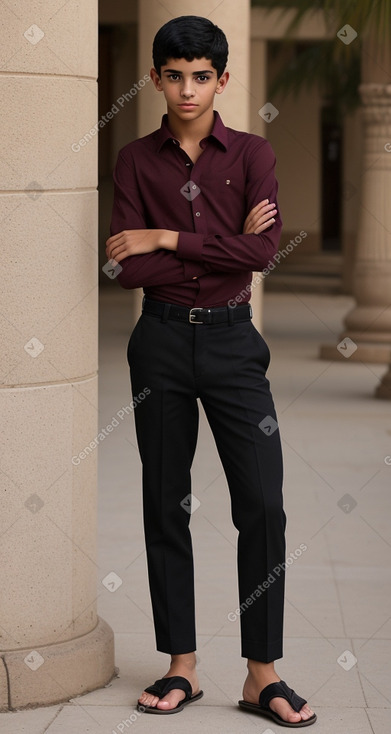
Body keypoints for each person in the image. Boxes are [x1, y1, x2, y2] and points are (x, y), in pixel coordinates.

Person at [106, 15, 316, 728]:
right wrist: (222, 244)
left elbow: (263, 255)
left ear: (221, 80)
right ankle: (180, 666)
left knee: (262, 502)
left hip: (233, 349)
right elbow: (126, 268)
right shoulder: (134, 160)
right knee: (165, 503)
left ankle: (263, 674)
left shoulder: (253, 153)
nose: (187, 88)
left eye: (201, 76)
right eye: (174, 75)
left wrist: (168, 235)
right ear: (157, 78)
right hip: (159, 343)